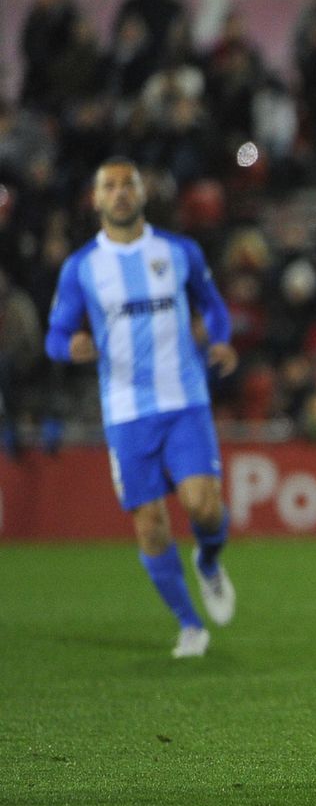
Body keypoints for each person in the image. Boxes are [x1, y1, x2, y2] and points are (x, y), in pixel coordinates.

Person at [45, 158, 237, 658]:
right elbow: (55, 336)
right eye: (108, 185)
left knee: (203, 506)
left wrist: (219, 339)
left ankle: (210, 563)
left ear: (142, 193)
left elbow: (213, 306)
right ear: (96, 199)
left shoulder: (178, 252)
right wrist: (71, 349)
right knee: (149, 523)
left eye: (128, 183)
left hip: (184, 400)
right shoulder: (82, 267)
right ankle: (190, 625)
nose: (120, 193)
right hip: (127, 412)